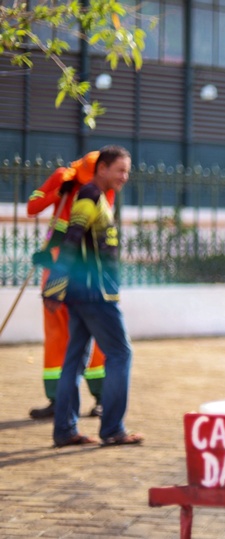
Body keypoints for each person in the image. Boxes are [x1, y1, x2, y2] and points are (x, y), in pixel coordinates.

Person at [42, 145, 143, 448]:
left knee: (74, 360)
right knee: (120, 354)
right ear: (102, 168)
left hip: (82, 292)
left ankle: (65, 431)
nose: (125, 176)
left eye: (127, 171)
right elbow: (71, 239)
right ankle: (112, 429)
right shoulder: (90, 196)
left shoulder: (98, 198)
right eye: (120, 170)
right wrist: (54, 286)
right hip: (95, 293)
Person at [27, 152, 111, 420]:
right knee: (56, 334)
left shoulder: (105, 189)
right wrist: (57, 192)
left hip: (83, 268)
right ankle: (56, 399)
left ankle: (103, 397)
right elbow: (32, 207)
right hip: (54, 265)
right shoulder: (62, 177)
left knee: (95, 334)